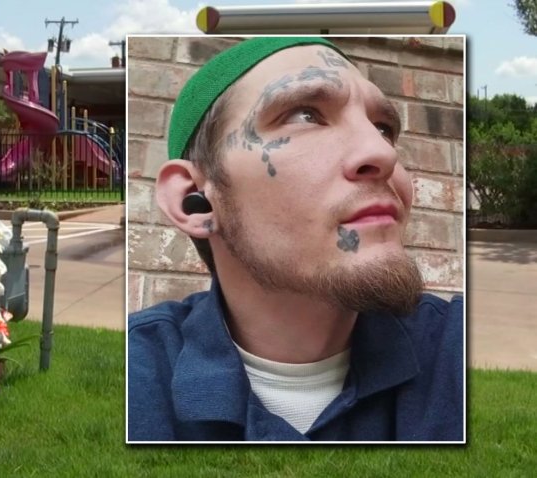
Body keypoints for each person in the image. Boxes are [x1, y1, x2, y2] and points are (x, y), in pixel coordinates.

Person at [127, 37, 463, 442]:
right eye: (306, 115)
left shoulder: (458, 350)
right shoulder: (134, 377)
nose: (384, 153)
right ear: (194, 202)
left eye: (384, 128)